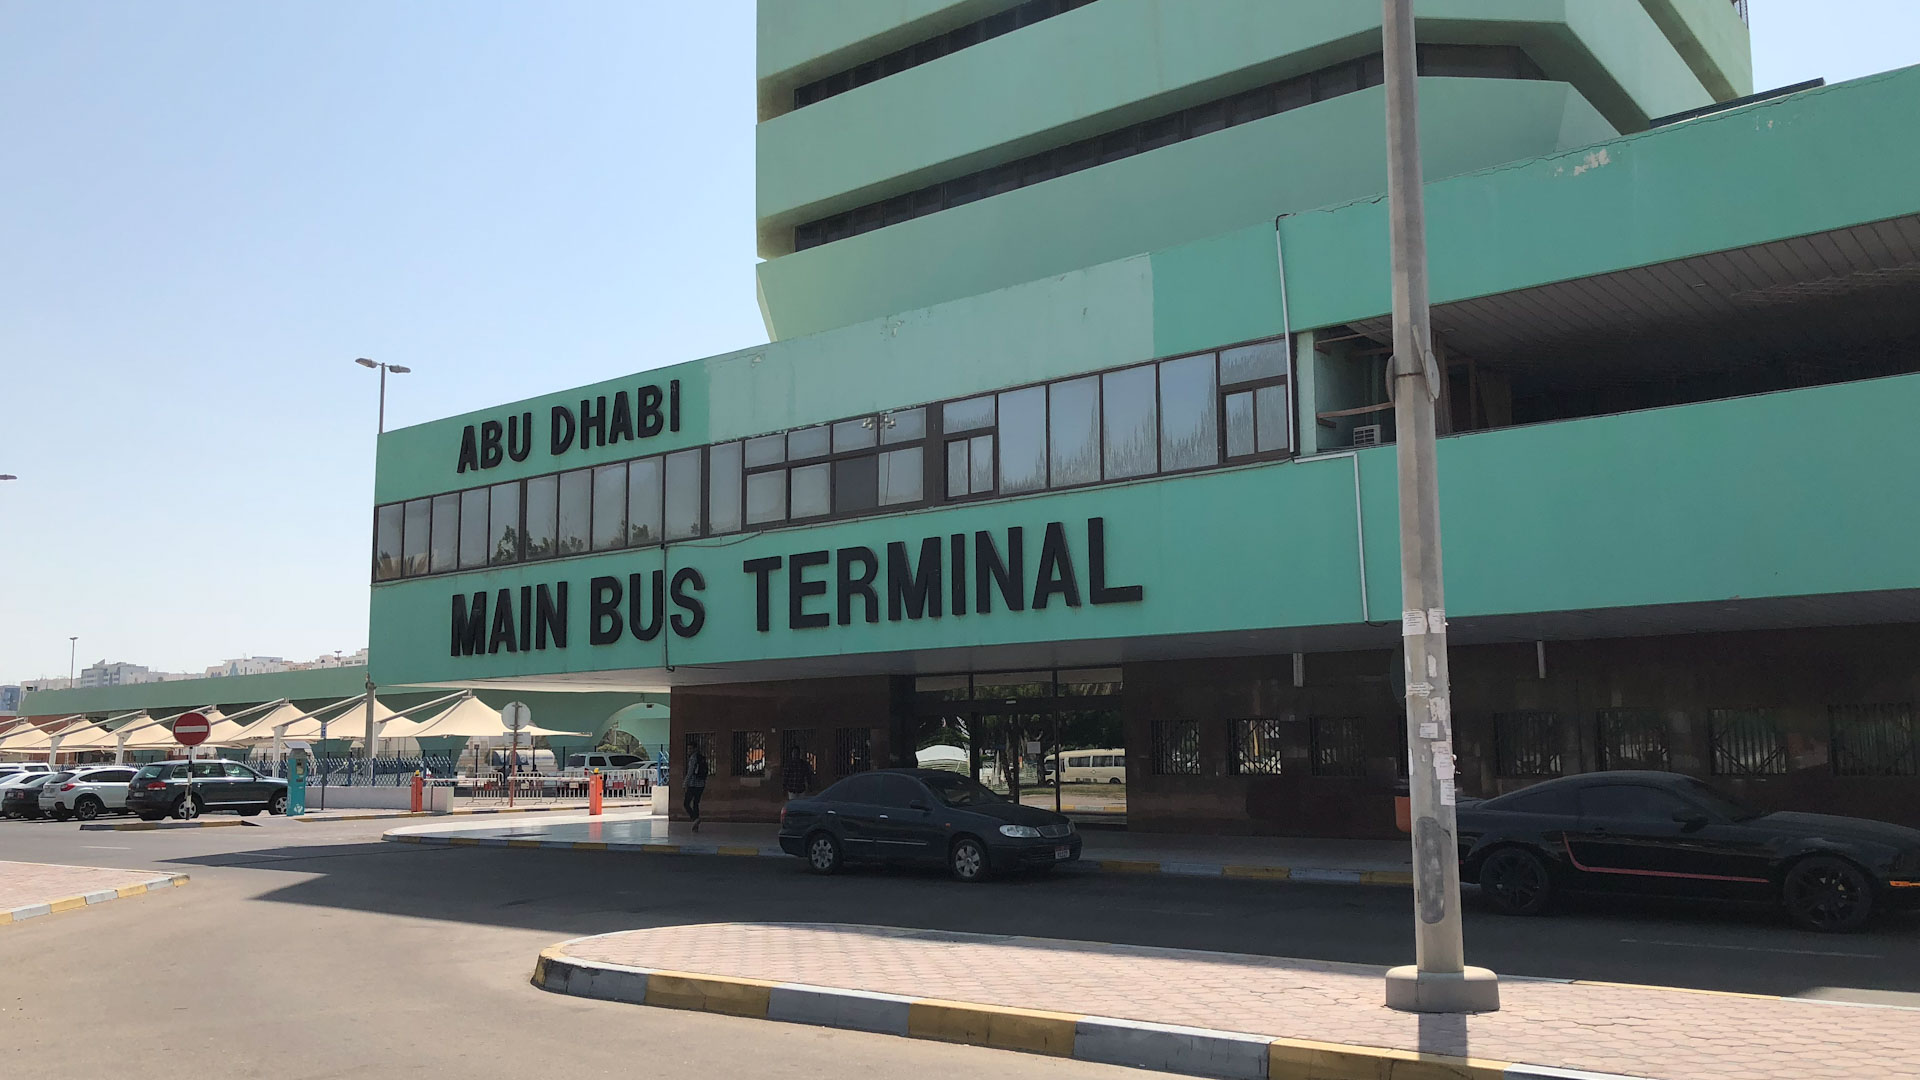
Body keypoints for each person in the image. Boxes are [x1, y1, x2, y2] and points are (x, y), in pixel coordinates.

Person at [682, 745, 710, 830]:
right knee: (695, 803)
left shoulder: (693, 758)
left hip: (693, 784)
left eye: (690, 748)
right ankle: (696, 824)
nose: (688, 750)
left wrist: (685, 783)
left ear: (695, 749)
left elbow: (690, 772)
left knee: (686, 803)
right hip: (701, 785)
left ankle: (695, 819)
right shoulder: (701, 758)